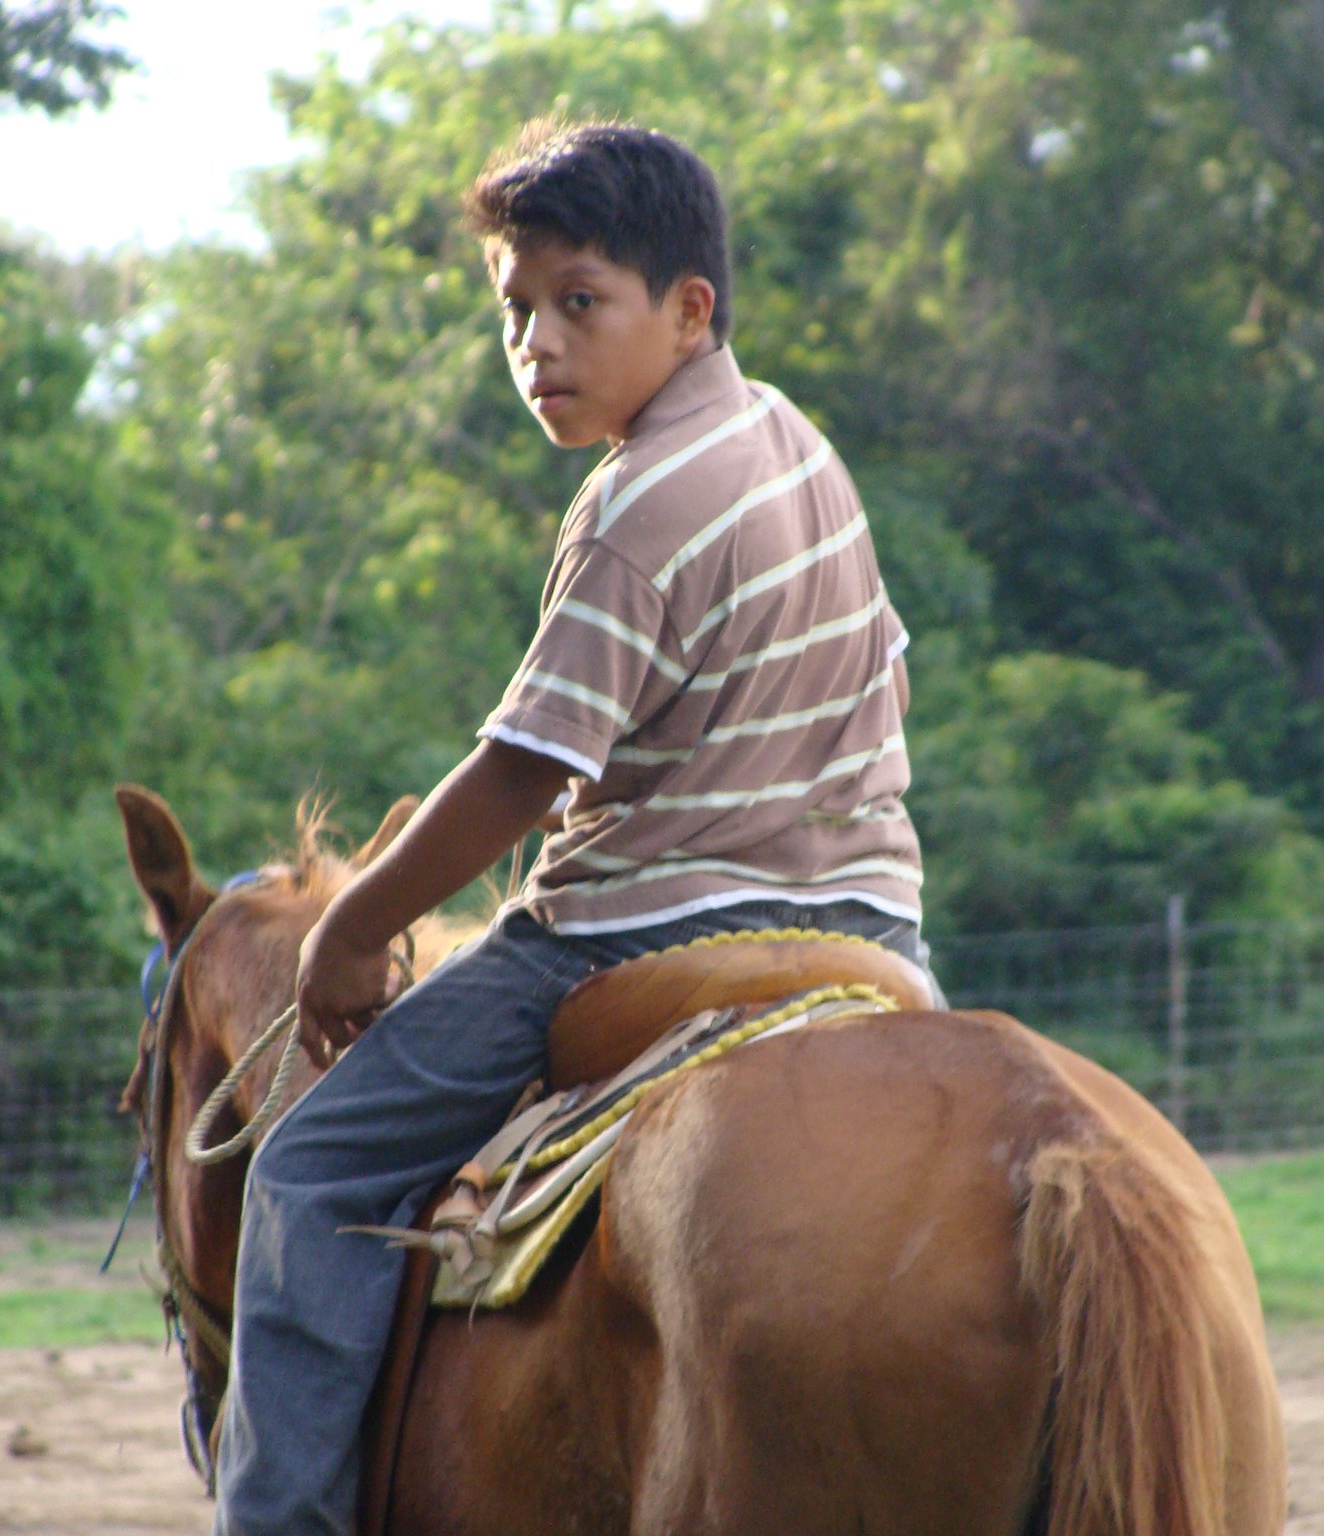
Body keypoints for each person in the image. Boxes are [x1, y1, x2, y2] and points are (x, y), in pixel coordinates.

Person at [214, 118, 935, 1536]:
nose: (536, 343)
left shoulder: (635, 501)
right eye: (515, 311)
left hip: (632, 933)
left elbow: (529, 767)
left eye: (578, 302)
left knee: (308, 1170)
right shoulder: (797, 445)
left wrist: (354, 929)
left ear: (688, 308)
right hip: (873, 929)